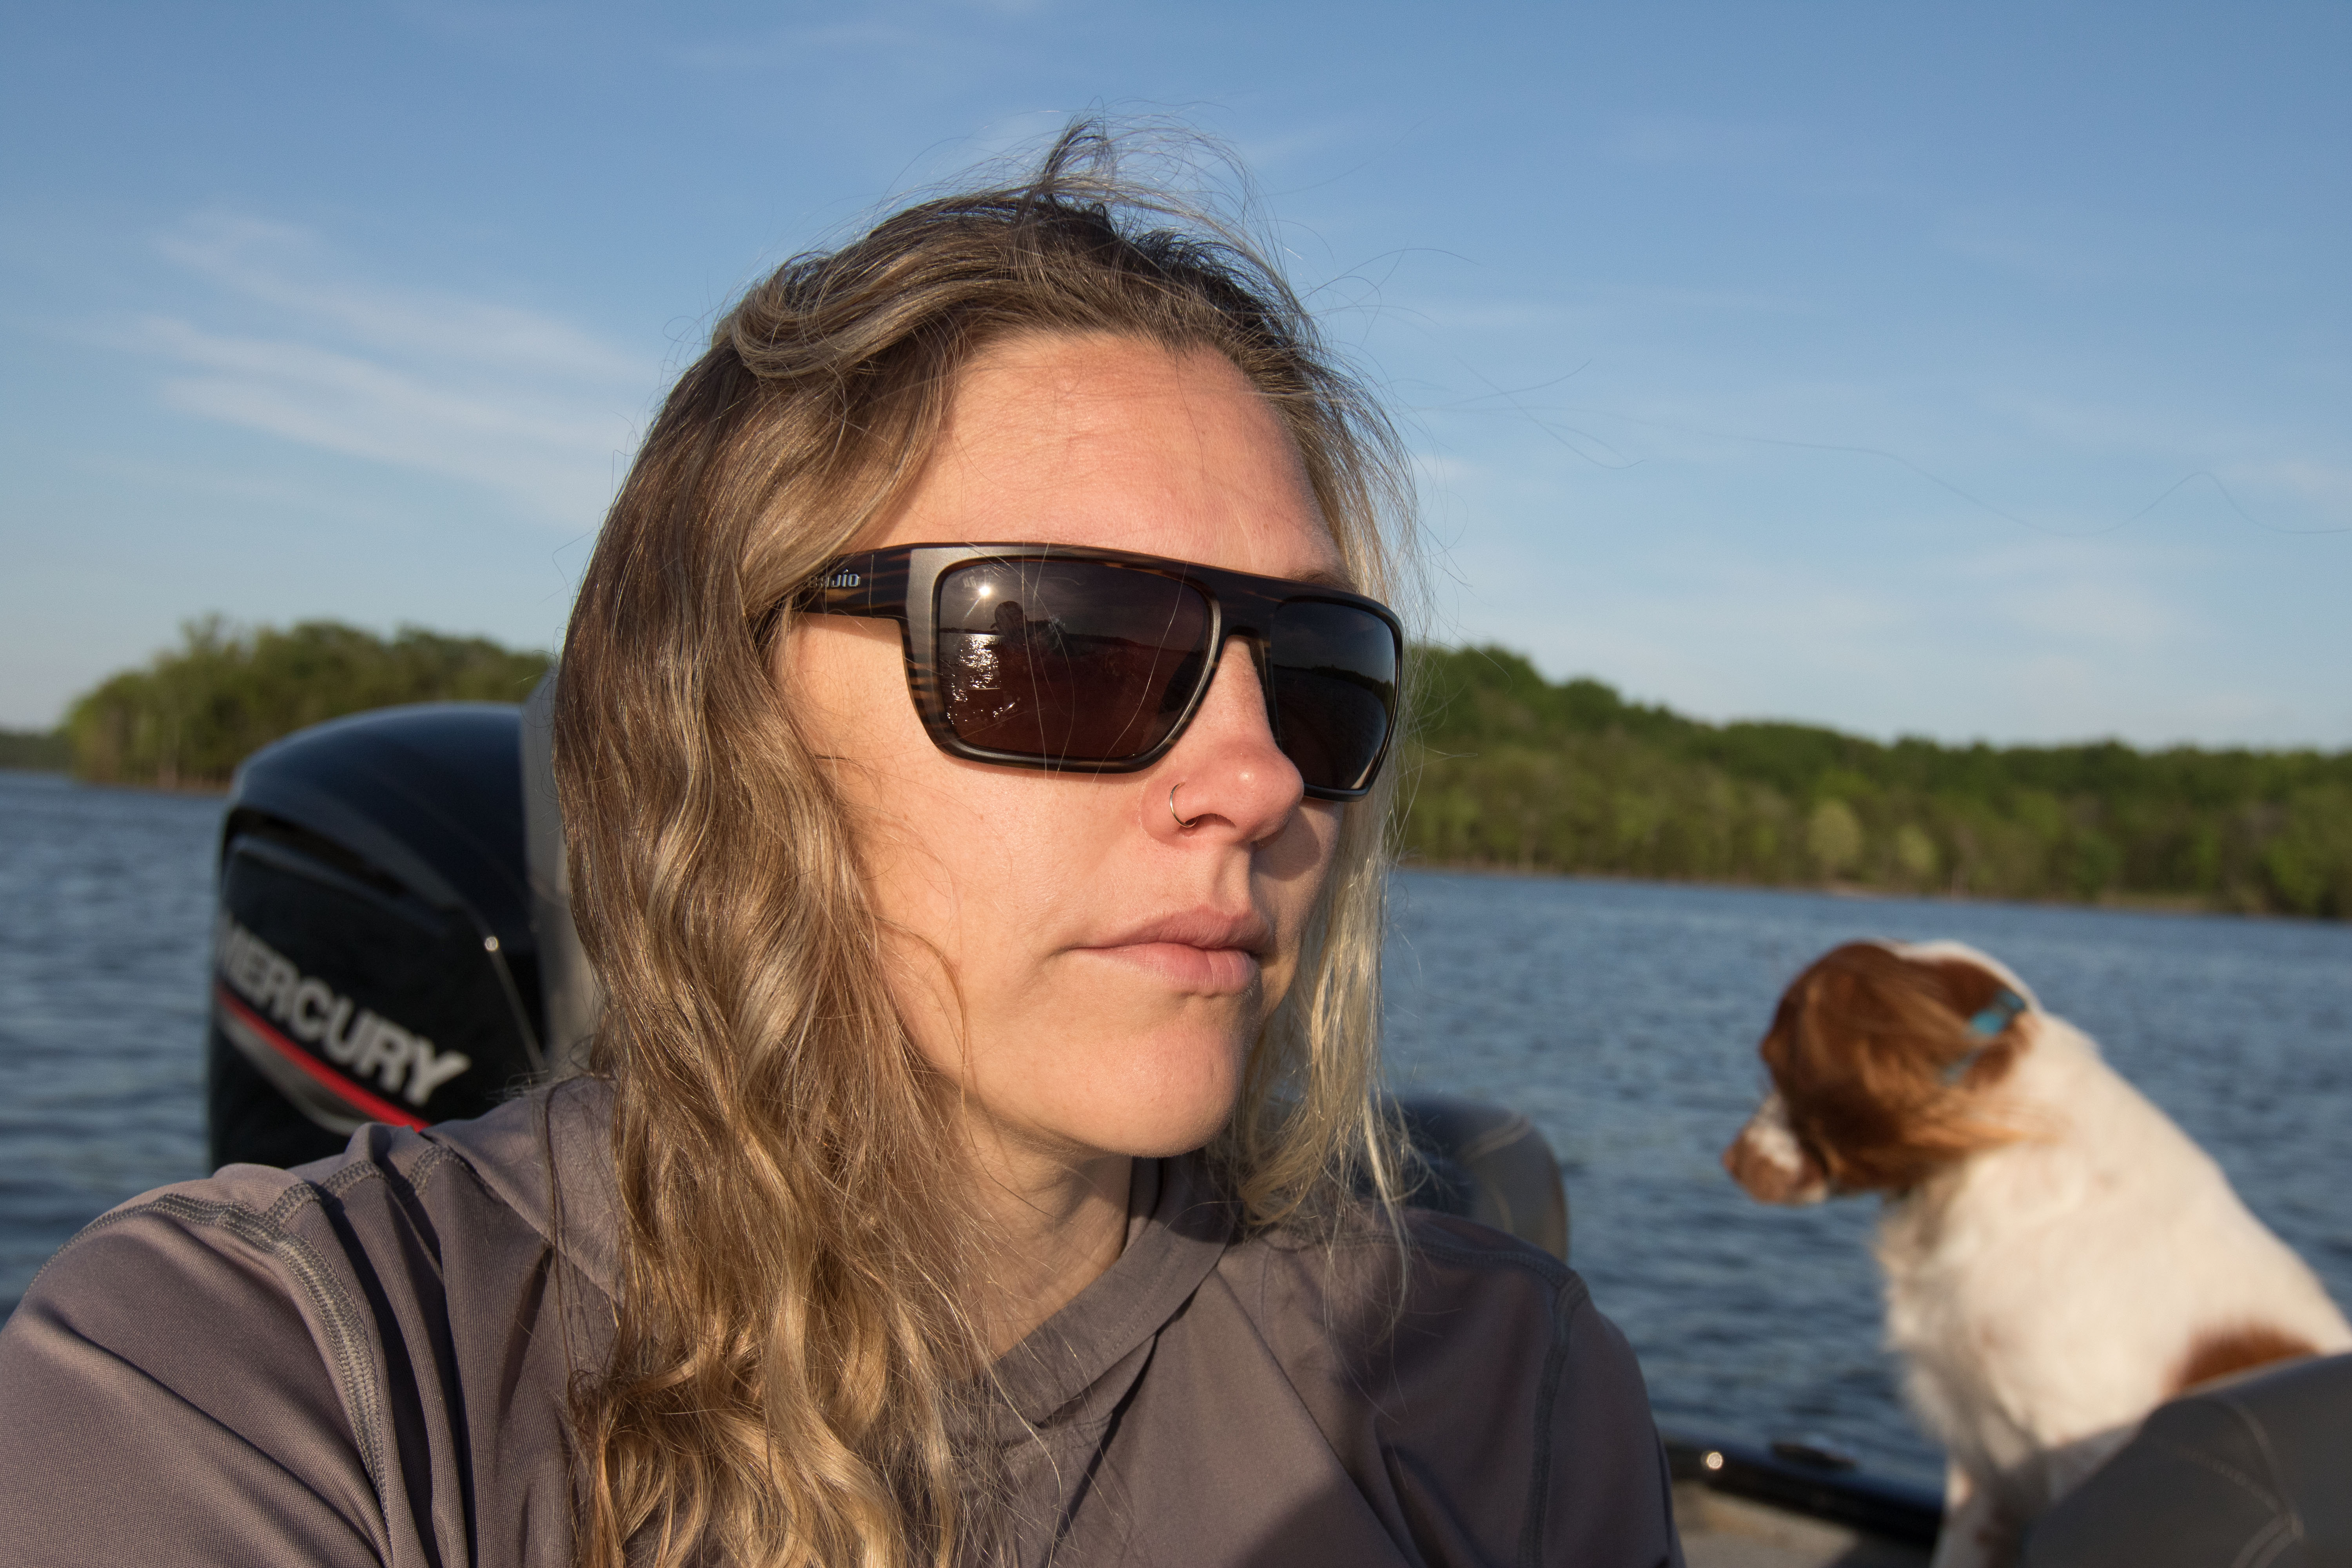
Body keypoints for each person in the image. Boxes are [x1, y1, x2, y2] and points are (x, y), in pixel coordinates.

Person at [0, 126, 1682, 1568]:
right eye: (1065, 647)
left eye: (1320, 677)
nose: (1256, 779)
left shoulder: (1499, 1401)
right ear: (713, 712)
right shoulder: (266, 1379)